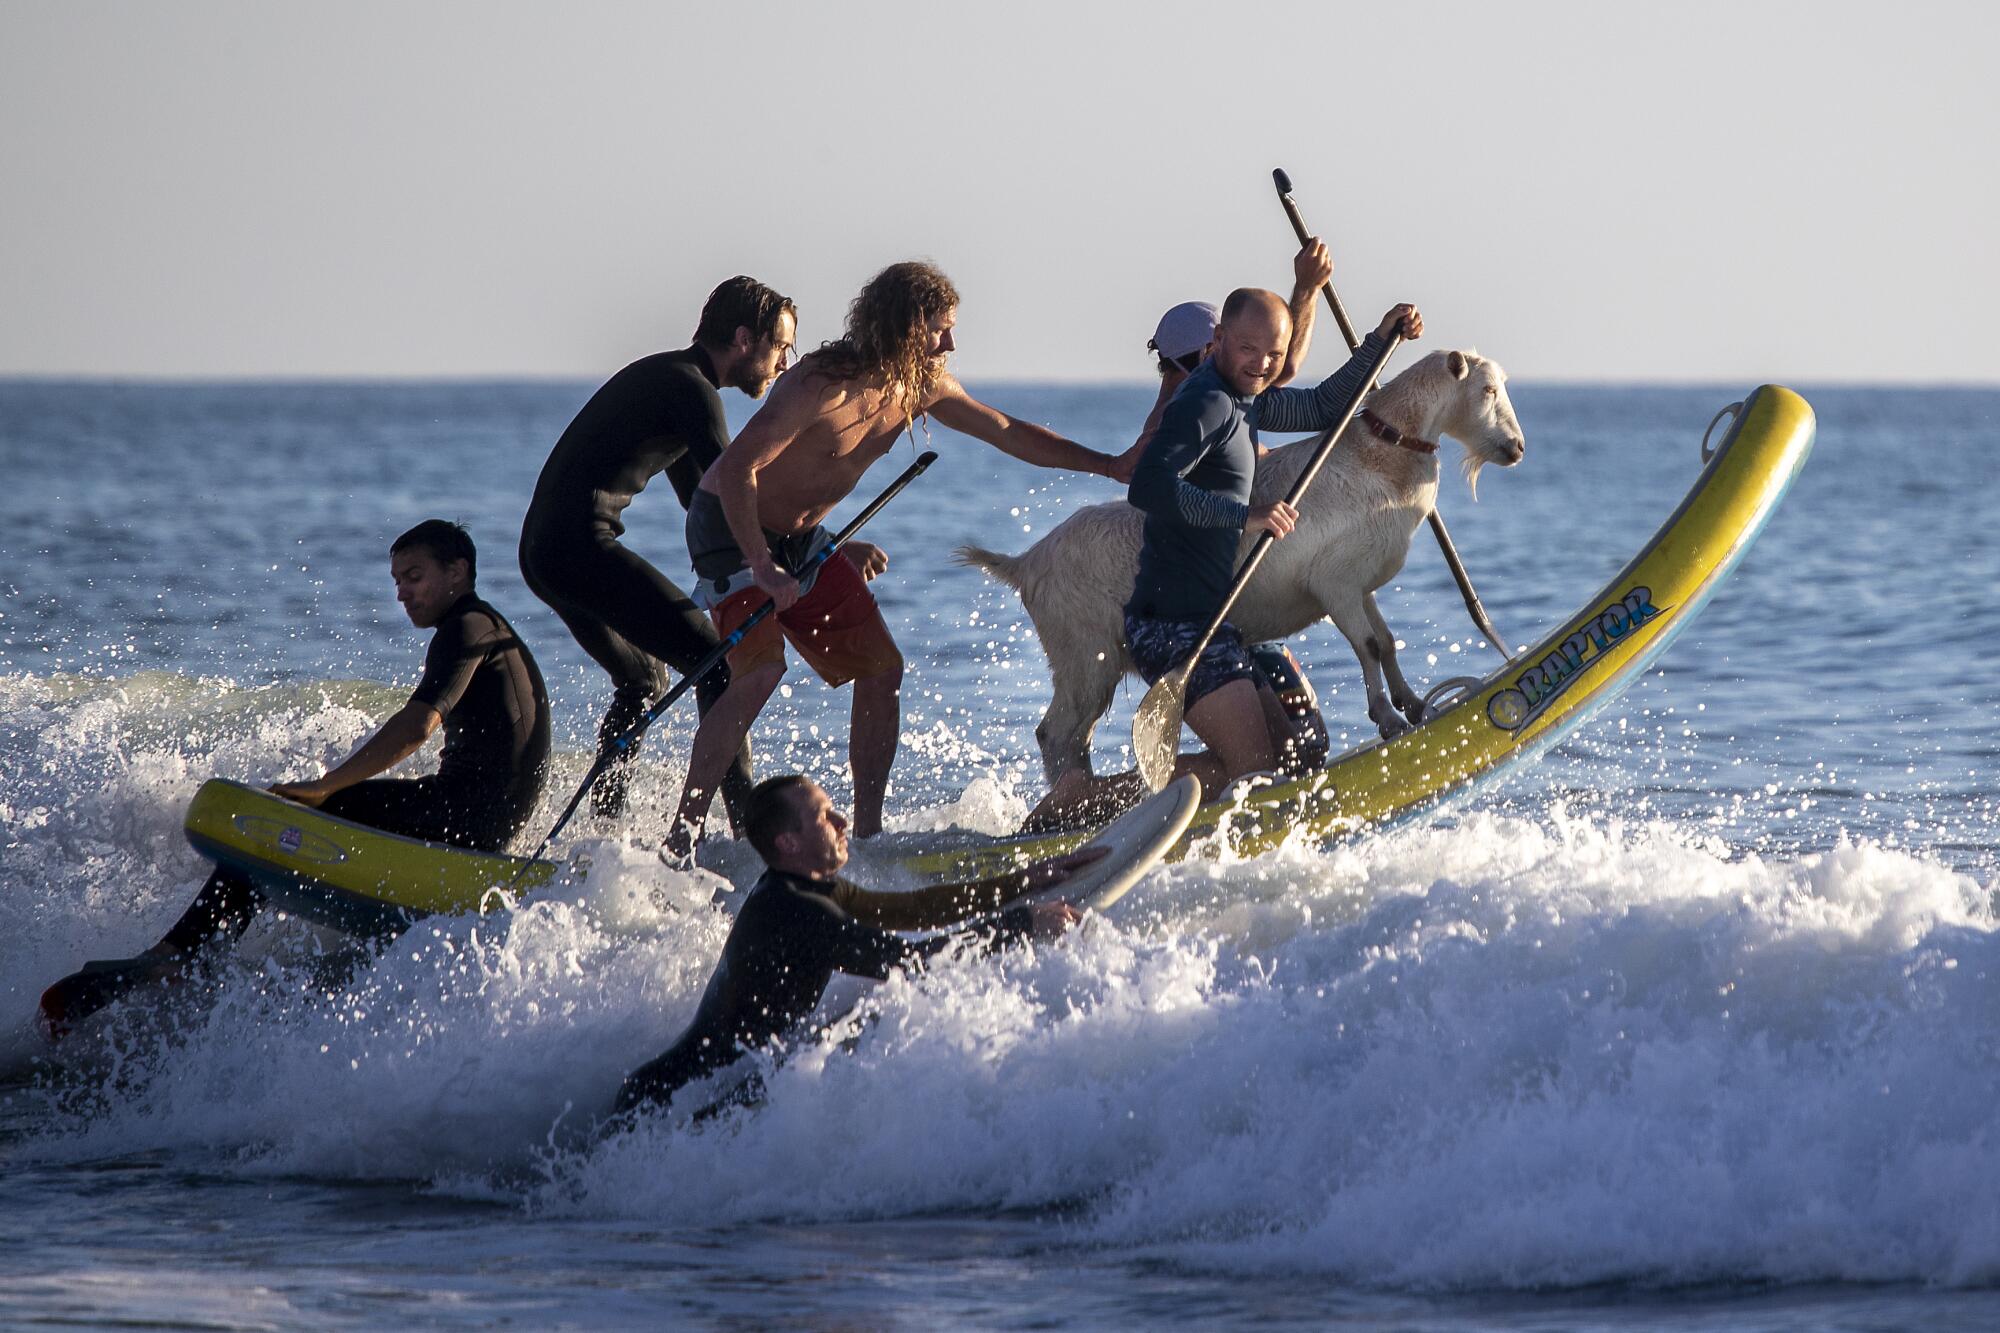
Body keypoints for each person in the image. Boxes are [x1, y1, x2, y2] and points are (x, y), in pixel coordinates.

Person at [668, 260, 1135, 852]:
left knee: (882, 668)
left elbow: (1005, 429)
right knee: (761, 673)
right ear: (906, 325)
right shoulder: (818, 383)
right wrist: (762, 565)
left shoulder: (923, 384)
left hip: (799, 540)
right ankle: (680, 838)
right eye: (941, 328)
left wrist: (1110, 464)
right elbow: (738, 471)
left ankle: (865, 836)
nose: (951, 342)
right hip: (730, 528)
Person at [40, 521, 552, 1035]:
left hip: (466, 810)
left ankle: (180, 953)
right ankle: (199, 955)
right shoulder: (482, 627)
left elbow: (417, 725)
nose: (402, 593)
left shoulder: (468, 627)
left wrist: (327, 786)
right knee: (325, 818)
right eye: (396, 580)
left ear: (457, 571)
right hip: (482, 814)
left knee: (303, 817)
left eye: (414, 576)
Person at [615, 773, 1092, 1115]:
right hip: (671, 1106)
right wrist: (1023, 924)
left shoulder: (800, 886)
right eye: (825, 816)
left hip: (700, 1092)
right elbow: (911, 961)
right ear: (788, 843)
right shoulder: (800, 912)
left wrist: (1025, 880)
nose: (843, 820)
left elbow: (913, 911)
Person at [519, 276, 799, 826]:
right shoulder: (691, 388)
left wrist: (748, 569)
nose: (784, 364)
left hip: (546, 554)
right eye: (781, 347)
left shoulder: (675, 382)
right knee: (715, 663)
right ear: (745, 339)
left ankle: (604, 828)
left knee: (644, 679)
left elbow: (701, 503)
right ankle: (743, 832)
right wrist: (799, 548)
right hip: (577, 549)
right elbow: (732, 497)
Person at [1123, 286, 1423, 795]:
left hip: (1212, 626)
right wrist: (1246, 516)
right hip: (1172, 630)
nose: (1262, 364)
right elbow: (1147, 485)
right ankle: (1087, 799)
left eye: (1275, 354)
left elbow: (1324, 407)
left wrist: (1380, 340)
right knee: (1257, 781)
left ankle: (1152, 799)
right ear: (1218, 340)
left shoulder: (1244, 399)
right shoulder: (1206, 404)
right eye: (1248, 348)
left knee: (1290, 761)